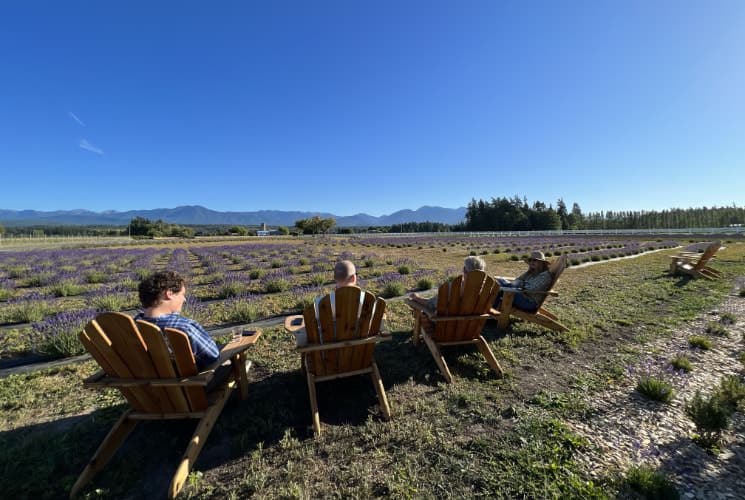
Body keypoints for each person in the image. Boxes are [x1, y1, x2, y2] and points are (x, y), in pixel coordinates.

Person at [136, 270, 220, 369]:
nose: (184, 299)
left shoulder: (131, 327)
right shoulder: (182, 326)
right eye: (182, 294)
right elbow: (213, 355)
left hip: (146, 382)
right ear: (169, 294)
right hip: (193, 382)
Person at [292, 260, 363, 346]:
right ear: (354, 278)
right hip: (359, 350)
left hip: (329, 353)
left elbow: (312, 322)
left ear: (334, 278)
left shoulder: (322, 303)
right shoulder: (366, 300)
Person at [408, 256, 486, 333]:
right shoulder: (485, 291)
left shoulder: (452, 288)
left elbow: (431, 304)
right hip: (470, 330)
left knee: (422, 309)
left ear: (464, 270)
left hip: (446, 328)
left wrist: (416, 298)